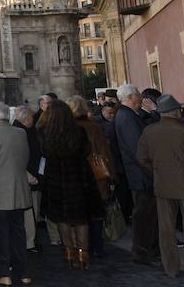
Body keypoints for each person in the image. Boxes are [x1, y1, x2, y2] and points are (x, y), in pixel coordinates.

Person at [137, 94, 184, 285]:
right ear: (178, 112)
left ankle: (171, 268)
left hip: (162, 185)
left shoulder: (149, 132)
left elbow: (142, 158)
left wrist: (157, 172)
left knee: (166, 230)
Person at [38, 99, 104, 271]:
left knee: (62, 219)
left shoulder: (46, 133)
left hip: (56, 181)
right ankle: (83, 254)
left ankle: (69, 253)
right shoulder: (79, 131)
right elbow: (87, 151)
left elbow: (44, 153)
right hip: (78, 180)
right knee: (82, 219)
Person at [0, 102, 32, 286]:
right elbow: (25, 158)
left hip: (0, 193)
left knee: (1, 235)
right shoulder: (21, 133)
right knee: (18, 233)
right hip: (18, 191)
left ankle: (4, 274)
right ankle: (24, 273)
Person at [115, 83, 159, 265]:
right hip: (141, 177)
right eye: (139, 96)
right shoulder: (127, 117)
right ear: (132, 97)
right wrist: (152, 172)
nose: (141, 99)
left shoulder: (127, 115)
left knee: (146, 215)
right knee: (144, 217)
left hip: (139, 175)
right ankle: (142, 252)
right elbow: (138, 151)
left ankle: (147, 250)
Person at [68, 95, 115, 259]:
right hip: (95, 175)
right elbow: (104, 152)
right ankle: (96, 246)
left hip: (74, 176)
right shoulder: (93, 127)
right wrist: (111, 177)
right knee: (96, 214)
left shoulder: (67, 128)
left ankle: (81, 248)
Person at [11, 106, 42, 253]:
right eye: (31, 117)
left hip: (30, 176)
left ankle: (29, 241)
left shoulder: (24, 130)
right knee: (29, 212)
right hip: (28, 177)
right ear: (25, 119)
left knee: (30, 212)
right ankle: (29, 242)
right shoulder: (21, 132)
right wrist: (30, 175)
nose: (33, 120)